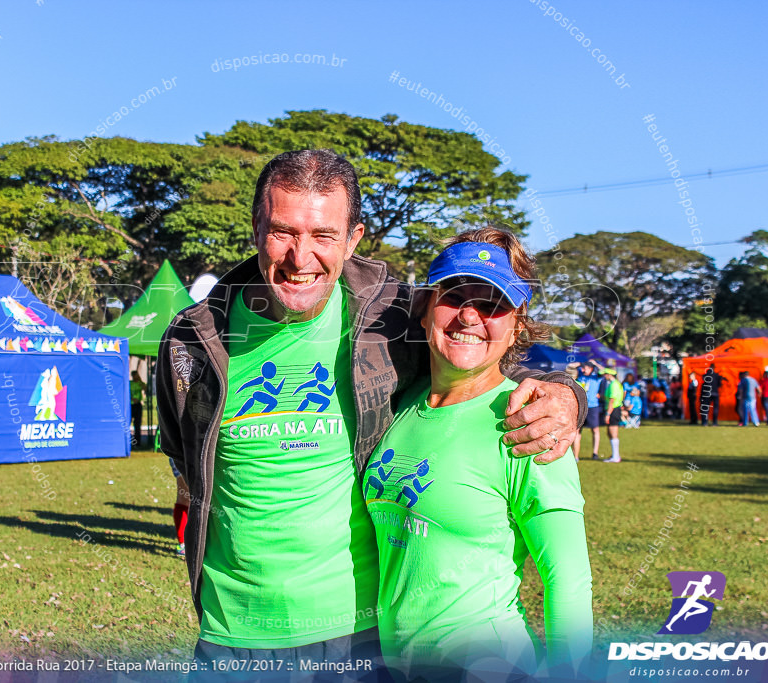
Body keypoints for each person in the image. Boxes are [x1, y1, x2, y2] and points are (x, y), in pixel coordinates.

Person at [156, 149, 587, 679]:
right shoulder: (191, 340)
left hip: (353, 638)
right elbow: (185, 467)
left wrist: (567, 396)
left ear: (355, 238)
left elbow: (476, 352)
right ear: (256, 227)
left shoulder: (387, 320)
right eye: (283, 232)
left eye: (324, 236)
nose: (301, 256)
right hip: (229, 635)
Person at [365, 229, 592, 680]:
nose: (470, 315)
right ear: (427, 308)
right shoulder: (398, 405)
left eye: (492, 303)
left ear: (516, 327)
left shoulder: (530, 423)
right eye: (455, 295)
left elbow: (567, 581)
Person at [573, 362, 602, 461]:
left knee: (595, 430)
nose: (582, 370)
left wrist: (595, 363)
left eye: (584, 368)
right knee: (577, 431)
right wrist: (580, 363)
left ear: (590, 368)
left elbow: (604, 370)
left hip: (593, 407)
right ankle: (576, 456)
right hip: (581, 406)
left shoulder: (596, 377)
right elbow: (569, 367)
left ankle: (595, 453)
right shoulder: (580, 376)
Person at [601, 368, 624, 463]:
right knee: (610, 432)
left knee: (613, 433)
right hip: (614, 409)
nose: (604, 376)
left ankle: (616, 456)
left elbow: (612, 400)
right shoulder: (615, 384)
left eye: (605, 374)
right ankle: (615, 455)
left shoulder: (614, 385)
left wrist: (608, 414)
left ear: (609, 375)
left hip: (613, 410)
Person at [129, 373, 145, 446]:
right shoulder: (130, 383)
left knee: (137, 424)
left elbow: (145, 389)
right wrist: (132, 398)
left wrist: (140, 380)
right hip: (131, 405)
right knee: (128, 423)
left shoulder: (140, 383)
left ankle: (137, 442)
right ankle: (128, 441)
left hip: (138, 405)